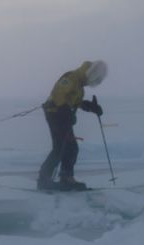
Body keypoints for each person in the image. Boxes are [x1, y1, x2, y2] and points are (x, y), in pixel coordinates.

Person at [38, 60, 107, 190]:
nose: (92, 84)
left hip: (63, 117)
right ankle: (44, 179)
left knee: (70, 148)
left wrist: (91, 107)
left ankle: (66, 178)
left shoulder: (80, 86)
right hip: (55, 114)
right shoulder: (72, 78)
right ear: (91, 74)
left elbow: (76, 102)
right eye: (95, 80)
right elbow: (59, 94)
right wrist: (65, 111)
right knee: (61, 148)